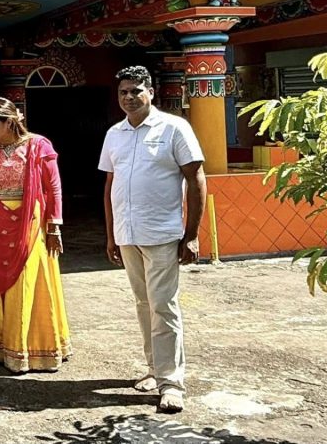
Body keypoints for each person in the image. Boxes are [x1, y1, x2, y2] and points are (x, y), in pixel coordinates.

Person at [98, 65, 206, 414]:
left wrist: (191, 235)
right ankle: (153, 370)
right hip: (128, 233)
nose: (129, 97)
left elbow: (196, 179)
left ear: (151, 92)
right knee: (143, 304)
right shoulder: (115, 133)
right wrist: (112, 232)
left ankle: (172, 382)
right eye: (123, 92)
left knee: (164, 305)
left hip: (162, 233)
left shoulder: (174, 128)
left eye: (135, 91)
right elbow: (110, 184)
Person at [0, 97, 71, 373]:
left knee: (27, 282)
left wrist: (54, 227)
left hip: (31, 223)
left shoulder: (38, 145)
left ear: (9, 122)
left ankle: (31, 349)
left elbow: (54, 188)